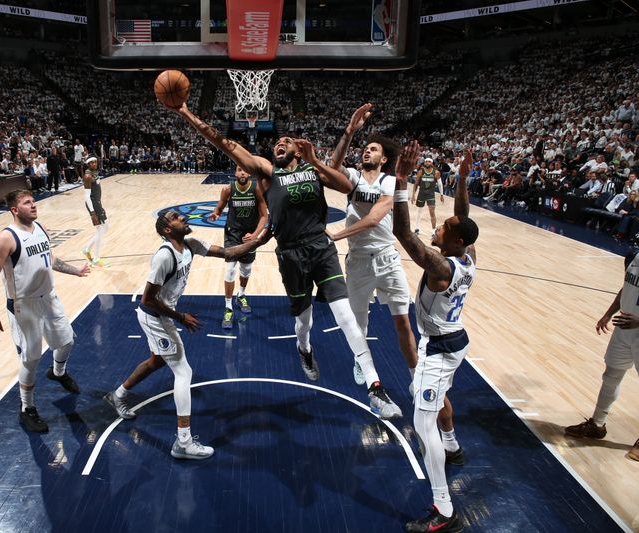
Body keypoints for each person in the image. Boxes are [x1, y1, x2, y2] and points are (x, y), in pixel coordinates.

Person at [171, 101, 402, 419]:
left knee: (345, 316)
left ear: (298, 150)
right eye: (278, 142)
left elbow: (346, 185)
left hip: (321, 248)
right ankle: (304, 349)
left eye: (286, 142)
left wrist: (318, 158)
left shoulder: (311, 170)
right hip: (290, 254)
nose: (280, 143)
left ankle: (376, 387)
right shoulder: (268, 171)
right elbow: (226, 144)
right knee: (302, 322)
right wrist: (188, 115)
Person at [328, 105, 465, 464]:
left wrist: (338, 233)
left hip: (386, 257)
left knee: (402, 321)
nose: (366, 151)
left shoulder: (391, 183)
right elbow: (330, 168)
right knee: (358, 327)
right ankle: (369, 377)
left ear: (385, 158)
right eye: (365, 147)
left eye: (372, 148)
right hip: (357, 262)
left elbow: (375, 220)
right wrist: (350, 129)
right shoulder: (355, 178)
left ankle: (412, 375)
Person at [103, 210, 264, 459]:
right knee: (183, 371)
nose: (184, 218)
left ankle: (118, 395)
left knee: (157, 361)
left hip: (164, 314)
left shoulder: (191, 244)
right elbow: (148, 299)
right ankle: (184, 442)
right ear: (168, 230)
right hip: (155, 317)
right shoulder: (164, 257)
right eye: (177, 217)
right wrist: (181, 318)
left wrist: (258, 241)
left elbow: (227, 253)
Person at [392, 144, 478, 532]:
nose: (438, 227)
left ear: (454, 241)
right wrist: (461, 179)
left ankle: (444, 510)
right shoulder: (468, 255)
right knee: (440, 398)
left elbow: (401, 231)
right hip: (456, 342)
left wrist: (401, 181)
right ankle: (455, 445)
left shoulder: (441, 265)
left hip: (438, 349)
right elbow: (464, 216)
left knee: (423, 426)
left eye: (443, 228)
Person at [0, 189, 90, 433]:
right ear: (14, 210)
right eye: (26, 203)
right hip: (24, 304)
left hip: (48, 298)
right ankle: (27, 409)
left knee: (66, 341)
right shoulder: (6, 238)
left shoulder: (39, 228)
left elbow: (49, 259)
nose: (33, 205)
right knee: (31, 358)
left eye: (33, 201)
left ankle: (57, 372)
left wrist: (75, 271)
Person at [564, 247, 639, 462]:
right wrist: (608, 313)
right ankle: (597, 424)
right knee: (611, 376)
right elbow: (626, 288)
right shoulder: (635, 254)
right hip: (624, 328)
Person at [207, 164, 268, 329]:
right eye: (239, 170)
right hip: (232, 233)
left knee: (246, 270)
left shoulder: (256, 189)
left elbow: (264, 216)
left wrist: (255, 235)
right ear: (235, 172)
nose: (242, 173)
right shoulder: (228, 189)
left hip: (249, 235)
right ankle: (228, 307)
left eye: (245, 170)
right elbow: (219, 207)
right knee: (230, 269)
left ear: (249, 173)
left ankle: (241, 295)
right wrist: (216, 213)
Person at [81, 156, 108, 267]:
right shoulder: (88, 176)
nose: (94, 164)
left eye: (95, 162)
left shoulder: (95, 173)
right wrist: (93, 213)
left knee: (104, 228)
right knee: (101, 229)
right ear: (88, 164)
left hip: (97, 203)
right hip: (93, 205)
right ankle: (96, 259)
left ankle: (86, 249)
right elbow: (87, 197)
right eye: (92, 162)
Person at [411, 156, 444, 235]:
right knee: (419, 211)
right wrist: (413, 195)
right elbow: (416, 184)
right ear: (424, 163)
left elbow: (440, 184)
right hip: (421, 193)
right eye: (426, 161)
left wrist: (441, 195)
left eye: (429, 161)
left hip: (430, 194)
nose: (427, 163)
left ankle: (433, 231)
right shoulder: (420, 171)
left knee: (432, 212)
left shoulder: (436, 172)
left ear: (431, 163)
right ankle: (416, 228)